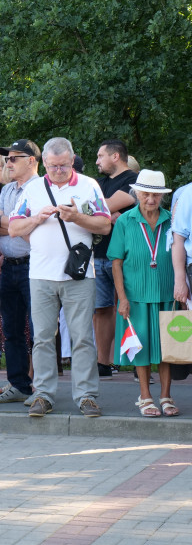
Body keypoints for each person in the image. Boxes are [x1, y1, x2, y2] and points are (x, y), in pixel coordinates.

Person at [9, 137, 111, 418]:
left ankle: (86, 395)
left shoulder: (89, 185)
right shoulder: (33, 188)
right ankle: (43, 394)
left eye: (64, 166)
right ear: (43, 163)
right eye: (52, 166)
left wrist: (77, 218)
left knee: (82, 338)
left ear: (73, 159)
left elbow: (104, 223)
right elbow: (15, 228)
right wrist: (37, 218)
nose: (58, 171)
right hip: (41, 274)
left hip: (78, 275)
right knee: (42, 338)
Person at [108, 171, 179, 416]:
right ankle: (146, 397)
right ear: (137, 193)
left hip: (168, 295)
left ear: (162, 196)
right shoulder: (125, 221)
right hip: (135, 297)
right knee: (140, 348)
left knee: (166, 348)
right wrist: (122, 298)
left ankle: (166, 396)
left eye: (156, 195)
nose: (150, 199)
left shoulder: (173, 220)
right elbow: (116, 262)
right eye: (146, 193)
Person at [0, 139, 41, 403]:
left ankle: (42, 388)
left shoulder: (42, 188)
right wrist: (20, 224)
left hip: (36, 265)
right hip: (9, 265)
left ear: (32, 160)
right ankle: (19, 385)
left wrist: (6, 222)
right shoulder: (7, 190)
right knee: (12, 329)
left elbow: (38, 227)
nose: (8, 163)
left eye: (14, 158)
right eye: (7, 159)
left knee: (40, 330)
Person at [93, 139, 138, 376]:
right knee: (101, 309)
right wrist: (106, 214)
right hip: (99, 253)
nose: (97, 161)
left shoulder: (134, 180)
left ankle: (140, 364)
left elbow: (102, 207)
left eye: (101, 156)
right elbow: (96, 210)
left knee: (132, 306)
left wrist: (102, 212)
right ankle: (103, 363)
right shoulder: (99, 182)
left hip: (126, 257)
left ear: (115, 156)